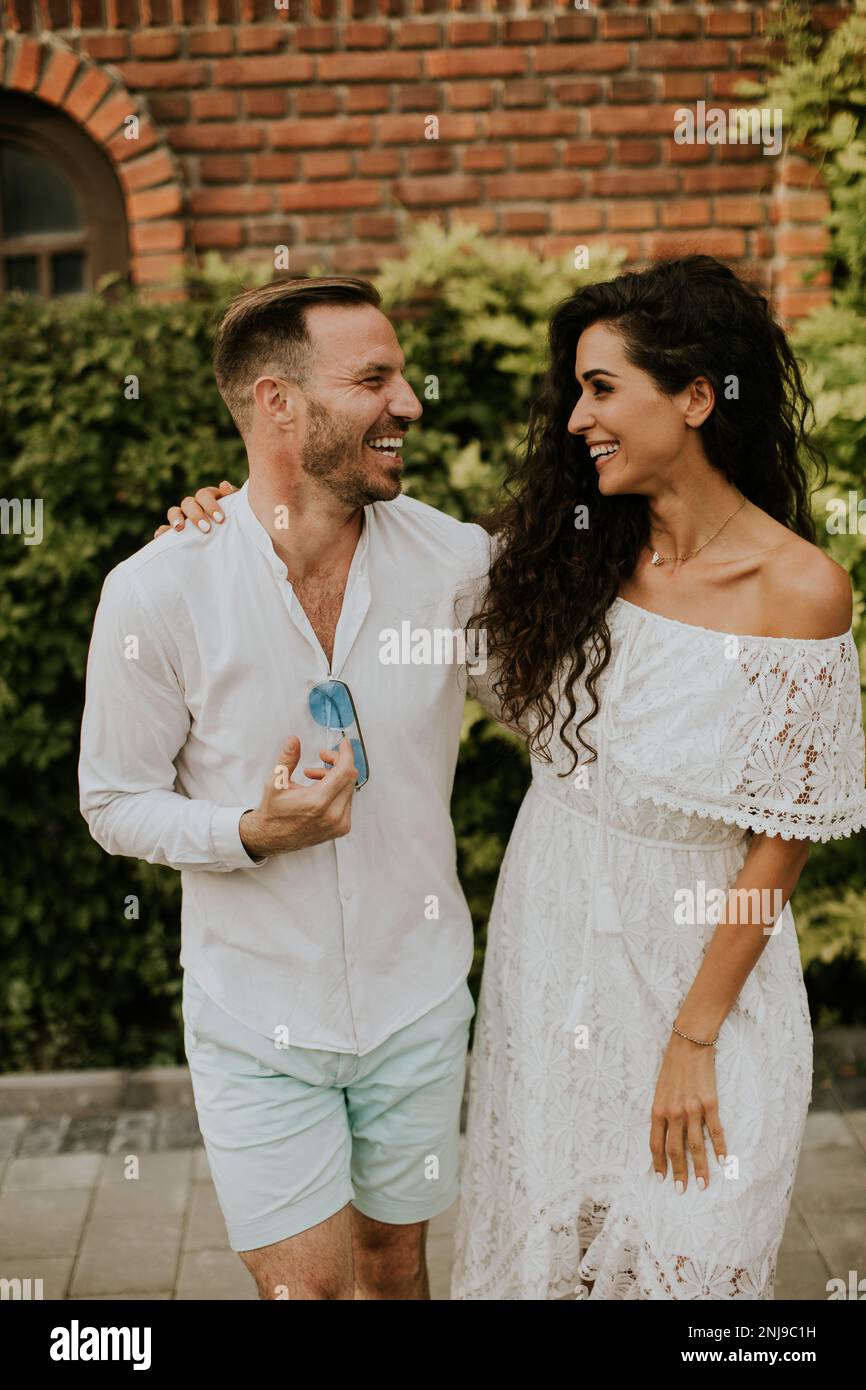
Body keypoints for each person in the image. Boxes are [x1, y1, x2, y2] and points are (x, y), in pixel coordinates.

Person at [155, 256, 866, 1300]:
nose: (577, 418)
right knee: (547, 1264)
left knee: (697, 1265)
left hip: (706, 986)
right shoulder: (552, 563)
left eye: (602, 388)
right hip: (553, 962)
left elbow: (781, 838)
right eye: (574, 391)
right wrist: (224, 515)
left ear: (698, 397)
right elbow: (334, 544)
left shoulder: (800, 588)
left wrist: (692, 1033)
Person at [78, 276, 492, 1301]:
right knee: (304, 1293)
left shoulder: (454, 562)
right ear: (277, 402)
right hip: (255, 1008)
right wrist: (247, 831)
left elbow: (553, 709)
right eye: (374, 379)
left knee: (395, 1270)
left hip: (419, 991)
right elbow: (112, 800)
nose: (409, 402)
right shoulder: (159, 587)